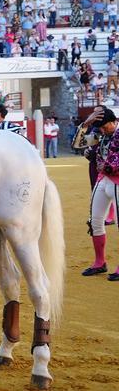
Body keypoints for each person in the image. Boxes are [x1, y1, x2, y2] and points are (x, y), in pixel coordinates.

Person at [73, 107, 119, 281]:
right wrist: (86, 123)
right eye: (99, 127)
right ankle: (100, 262)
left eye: (104, 126)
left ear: (114, 121)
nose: (102, 130)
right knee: (95, 221)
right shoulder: (100, 135)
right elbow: (78, 144)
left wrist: (106, 166)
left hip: (117, 180)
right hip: (103, 180)